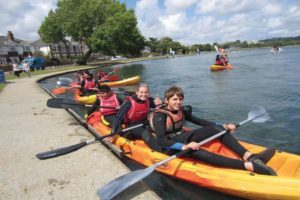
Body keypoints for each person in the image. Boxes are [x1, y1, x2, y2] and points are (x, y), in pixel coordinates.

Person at [149, 85, 277, 176]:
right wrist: (183, 147)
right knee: (196, 151)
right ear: (167, 100)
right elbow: (160, 140)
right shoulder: (160, 116)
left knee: (216, 129)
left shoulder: (181, 110)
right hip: (170, 146)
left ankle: (250, 156)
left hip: (182, 137)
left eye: (180, 99)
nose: (178, 102)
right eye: (175, 99)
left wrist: (223, 126)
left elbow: (199, 121)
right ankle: (248, 166)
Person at [109, 83, 162, 151]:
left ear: (149, 93)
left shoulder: (148, 100)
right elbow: (118, 117)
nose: (143, 94)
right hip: (132, 126)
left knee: (158, 126)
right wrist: (113, 133)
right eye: (141, 92)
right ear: (137, 92)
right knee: (145, 133)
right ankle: (160, 151)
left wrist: (160, 103)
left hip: (144, 123)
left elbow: (157, 105)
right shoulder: (129, 102)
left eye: (146, 92)